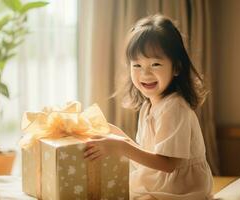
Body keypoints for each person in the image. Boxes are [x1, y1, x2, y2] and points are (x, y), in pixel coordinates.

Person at [84, 14, 213, 200]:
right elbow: (151, 152)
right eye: (136, 65)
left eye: (155, 64)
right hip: (158, 184)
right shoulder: (149, 106)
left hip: (180, 191)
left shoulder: (174, 107)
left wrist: (121, 146)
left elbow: (168, 164)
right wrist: (116, 134)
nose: (145, 73)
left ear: (176, 68)